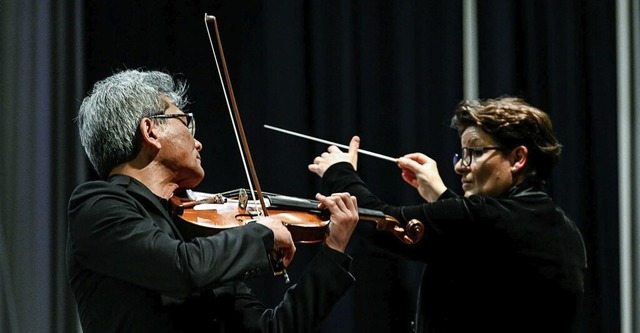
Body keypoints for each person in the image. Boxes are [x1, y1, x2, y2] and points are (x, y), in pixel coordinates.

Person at [67, 69, 360, 333]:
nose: (198, 142)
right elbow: (181, 267)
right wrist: (262, 233)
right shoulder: (97, 206)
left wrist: (332, 252)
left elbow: (272, 329)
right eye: (185, 122)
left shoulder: (199, 232)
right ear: (151, 131)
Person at [308, 97, 587, 333]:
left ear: (518, 158)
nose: (460, 167)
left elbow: (382, 222)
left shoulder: (485, 217)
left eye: (474, 153)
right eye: (461, 155)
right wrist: (439, 195)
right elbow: (477, 247)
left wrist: (340, 172)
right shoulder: (566, 229)